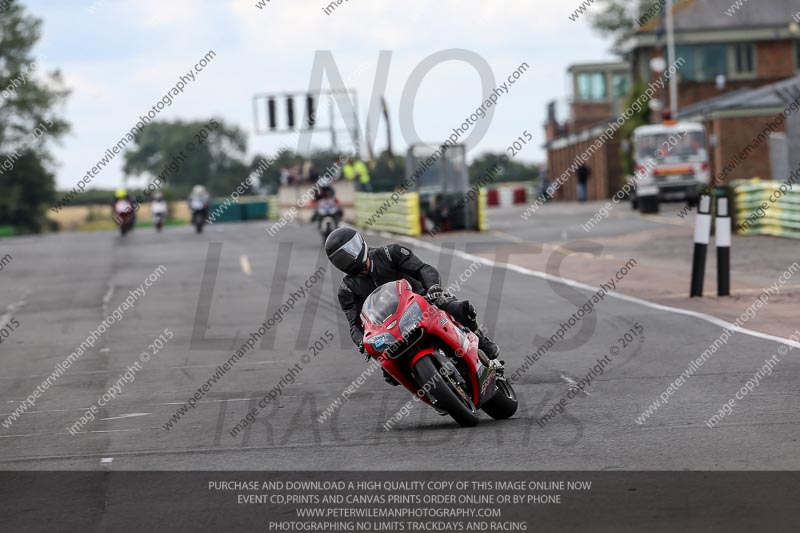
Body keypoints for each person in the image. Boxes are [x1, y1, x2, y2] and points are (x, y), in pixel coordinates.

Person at [325, 227, 500, 385]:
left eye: (348, 253)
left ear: (359, 244)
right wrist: (362, 343)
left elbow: (423, 269)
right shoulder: (346, 289)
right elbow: (354, 324)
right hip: (389, 327)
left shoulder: (389, 253)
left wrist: (433, 288)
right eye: (341, 258)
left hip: (422, 301)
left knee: (459, 309)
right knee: (389, 373)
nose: (347, 260)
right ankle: (433, 391)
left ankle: (481, 341)